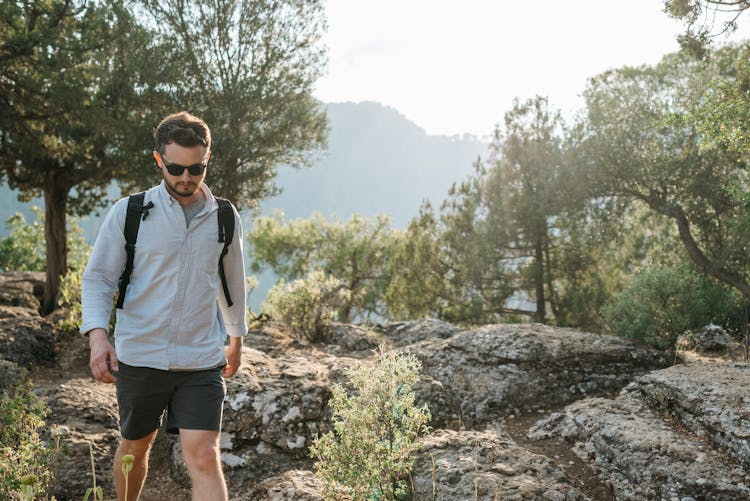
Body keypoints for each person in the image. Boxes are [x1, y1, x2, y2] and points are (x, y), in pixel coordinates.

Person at [81, 111, 247, 501]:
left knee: (205, 456)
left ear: (208, 160)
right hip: (140, 356)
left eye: (196, 169)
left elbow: (232, 282)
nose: (186, 178)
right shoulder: (130, 213)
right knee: (134, 450)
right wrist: (98, 338)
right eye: (176, 168)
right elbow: (99, 279)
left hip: (200, 358)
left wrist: (236, 339)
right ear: (159, 160)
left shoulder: (224, 217)